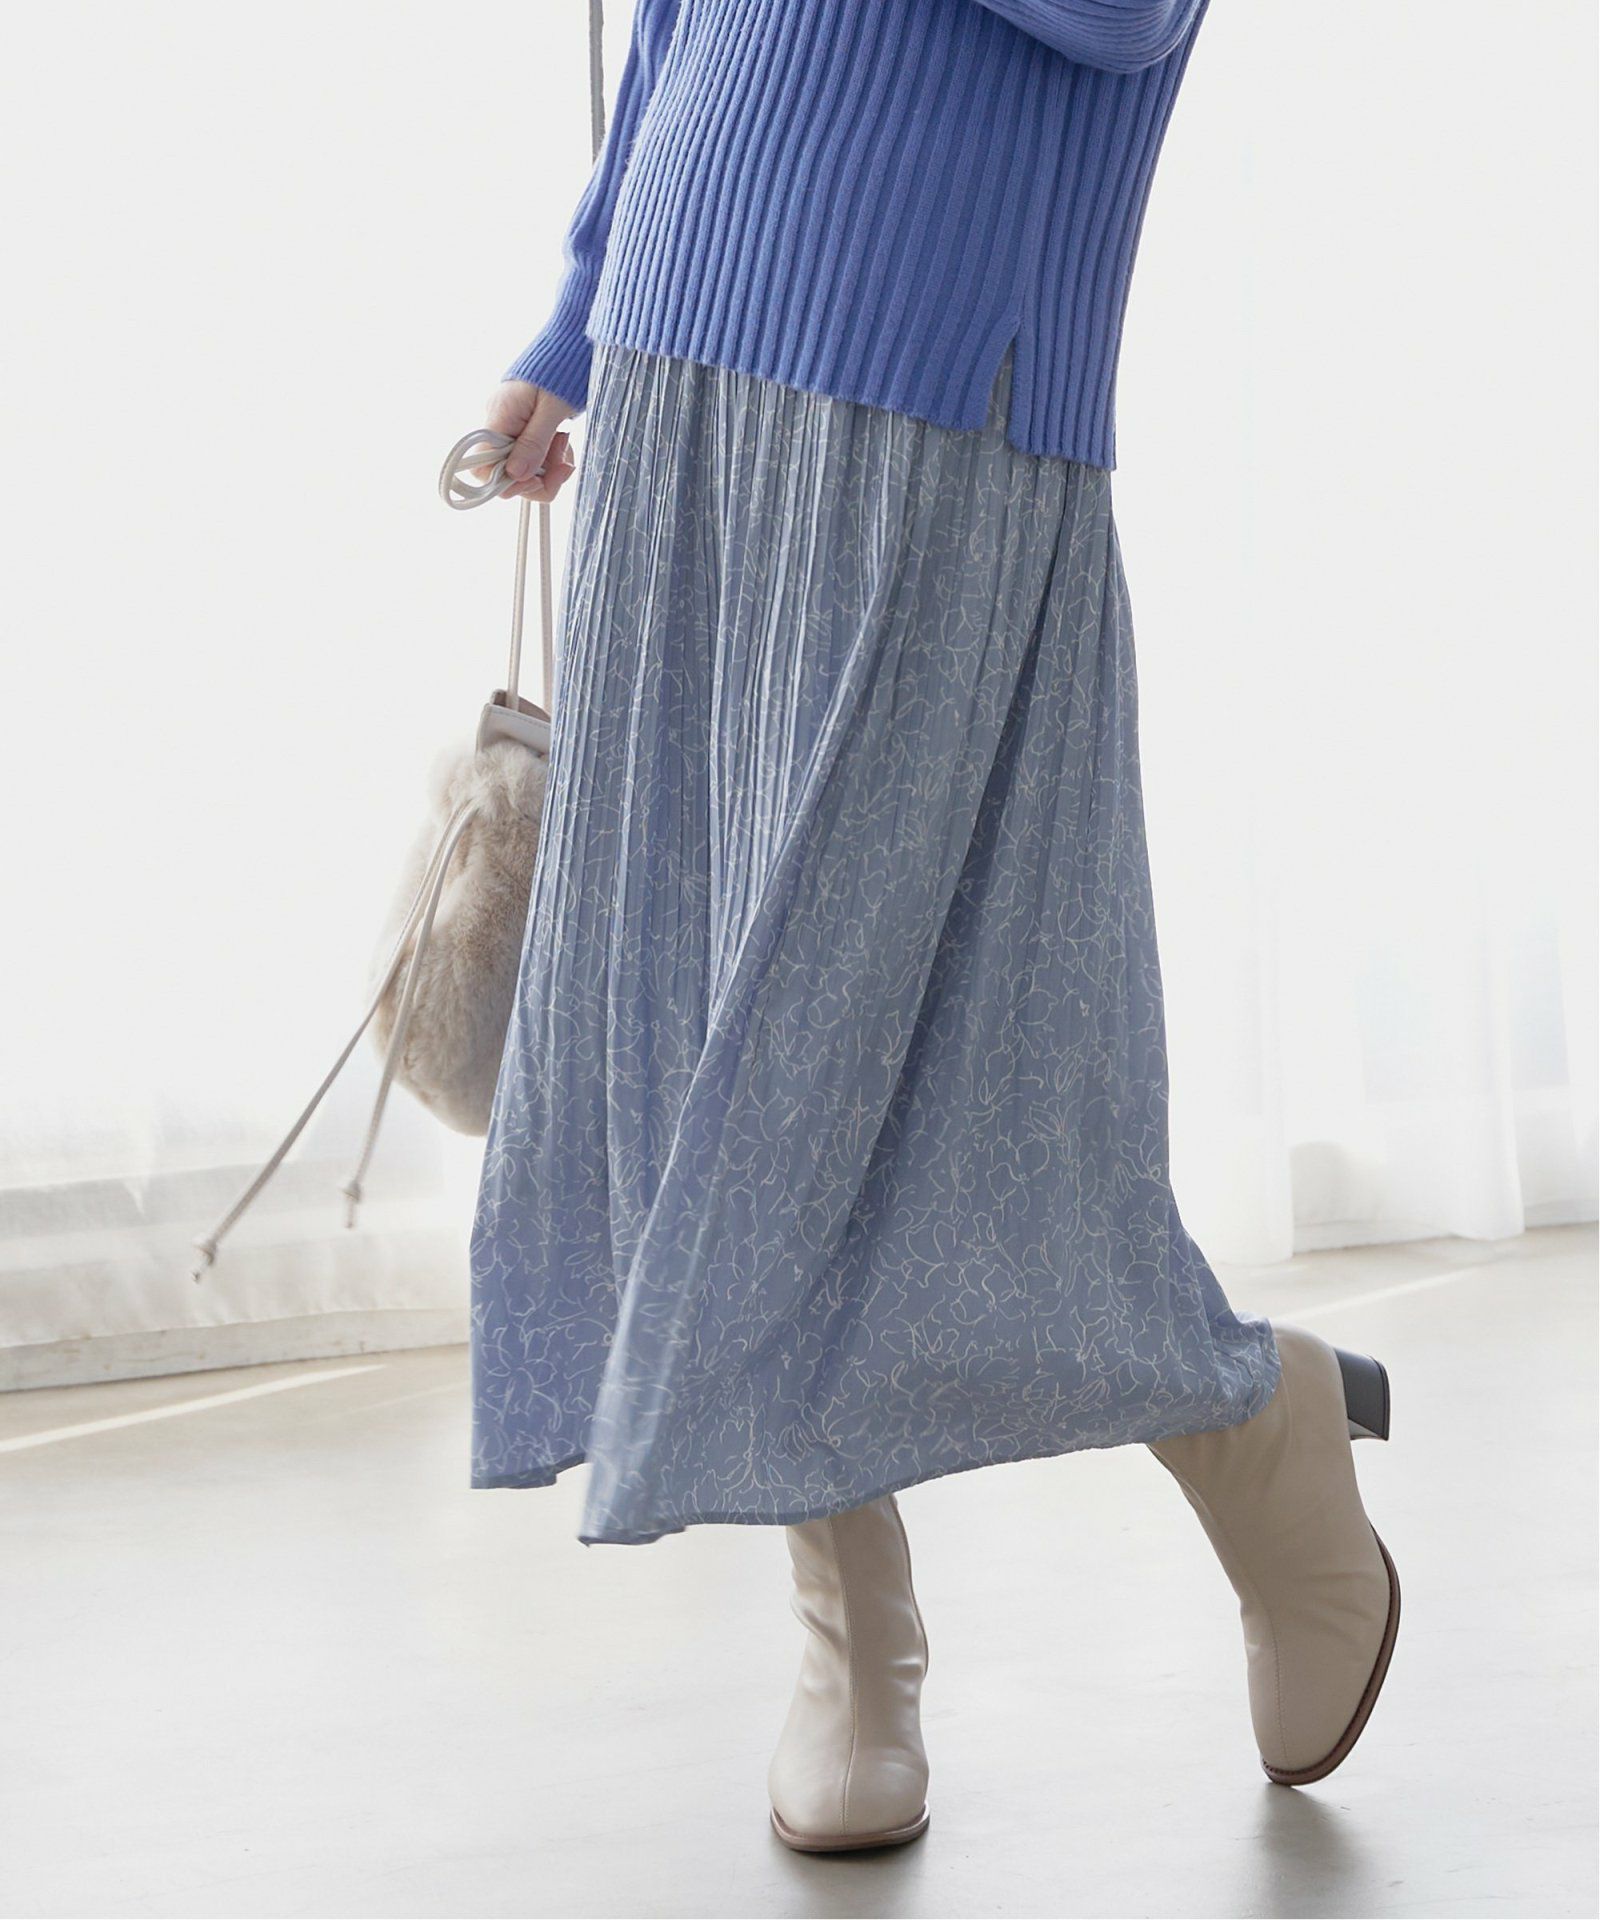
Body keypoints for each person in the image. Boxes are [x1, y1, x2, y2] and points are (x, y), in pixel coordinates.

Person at [470, 0, 1400, 1852]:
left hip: (945, 367)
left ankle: (1246, 1427)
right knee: (708, 1014)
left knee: (939, 1066)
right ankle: (852, 1624)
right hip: (682, 322)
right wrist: (576, 316)